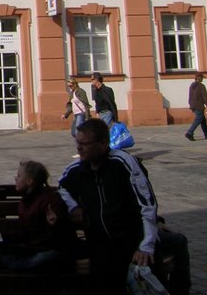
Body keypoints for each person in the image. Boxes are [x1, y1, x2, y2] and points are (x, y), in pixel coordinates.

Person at [59, 119, 158, 291]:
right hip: (99, 245)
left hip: (131, 243)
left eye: (85, 143)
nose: (79, 148)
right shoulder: (77, 169)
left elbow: (146, 204)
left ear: (103, 143)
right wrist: (73, 206)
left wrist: (145, 245)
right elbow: (62, 188)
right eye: (77, 142)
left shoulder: (122, 164)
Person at [184, 73, 207, 141]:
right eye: (202, 77)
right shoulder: (201, 86)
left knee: (203, 120)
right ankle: (189, 133)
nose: (202, 78)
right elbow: (205, 97)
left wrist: (190, 104)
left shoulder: (192, 85)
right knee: (199, 118)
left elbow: (190, 96)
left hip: (193, 105)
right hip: (199, 106)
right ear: (198, 77)